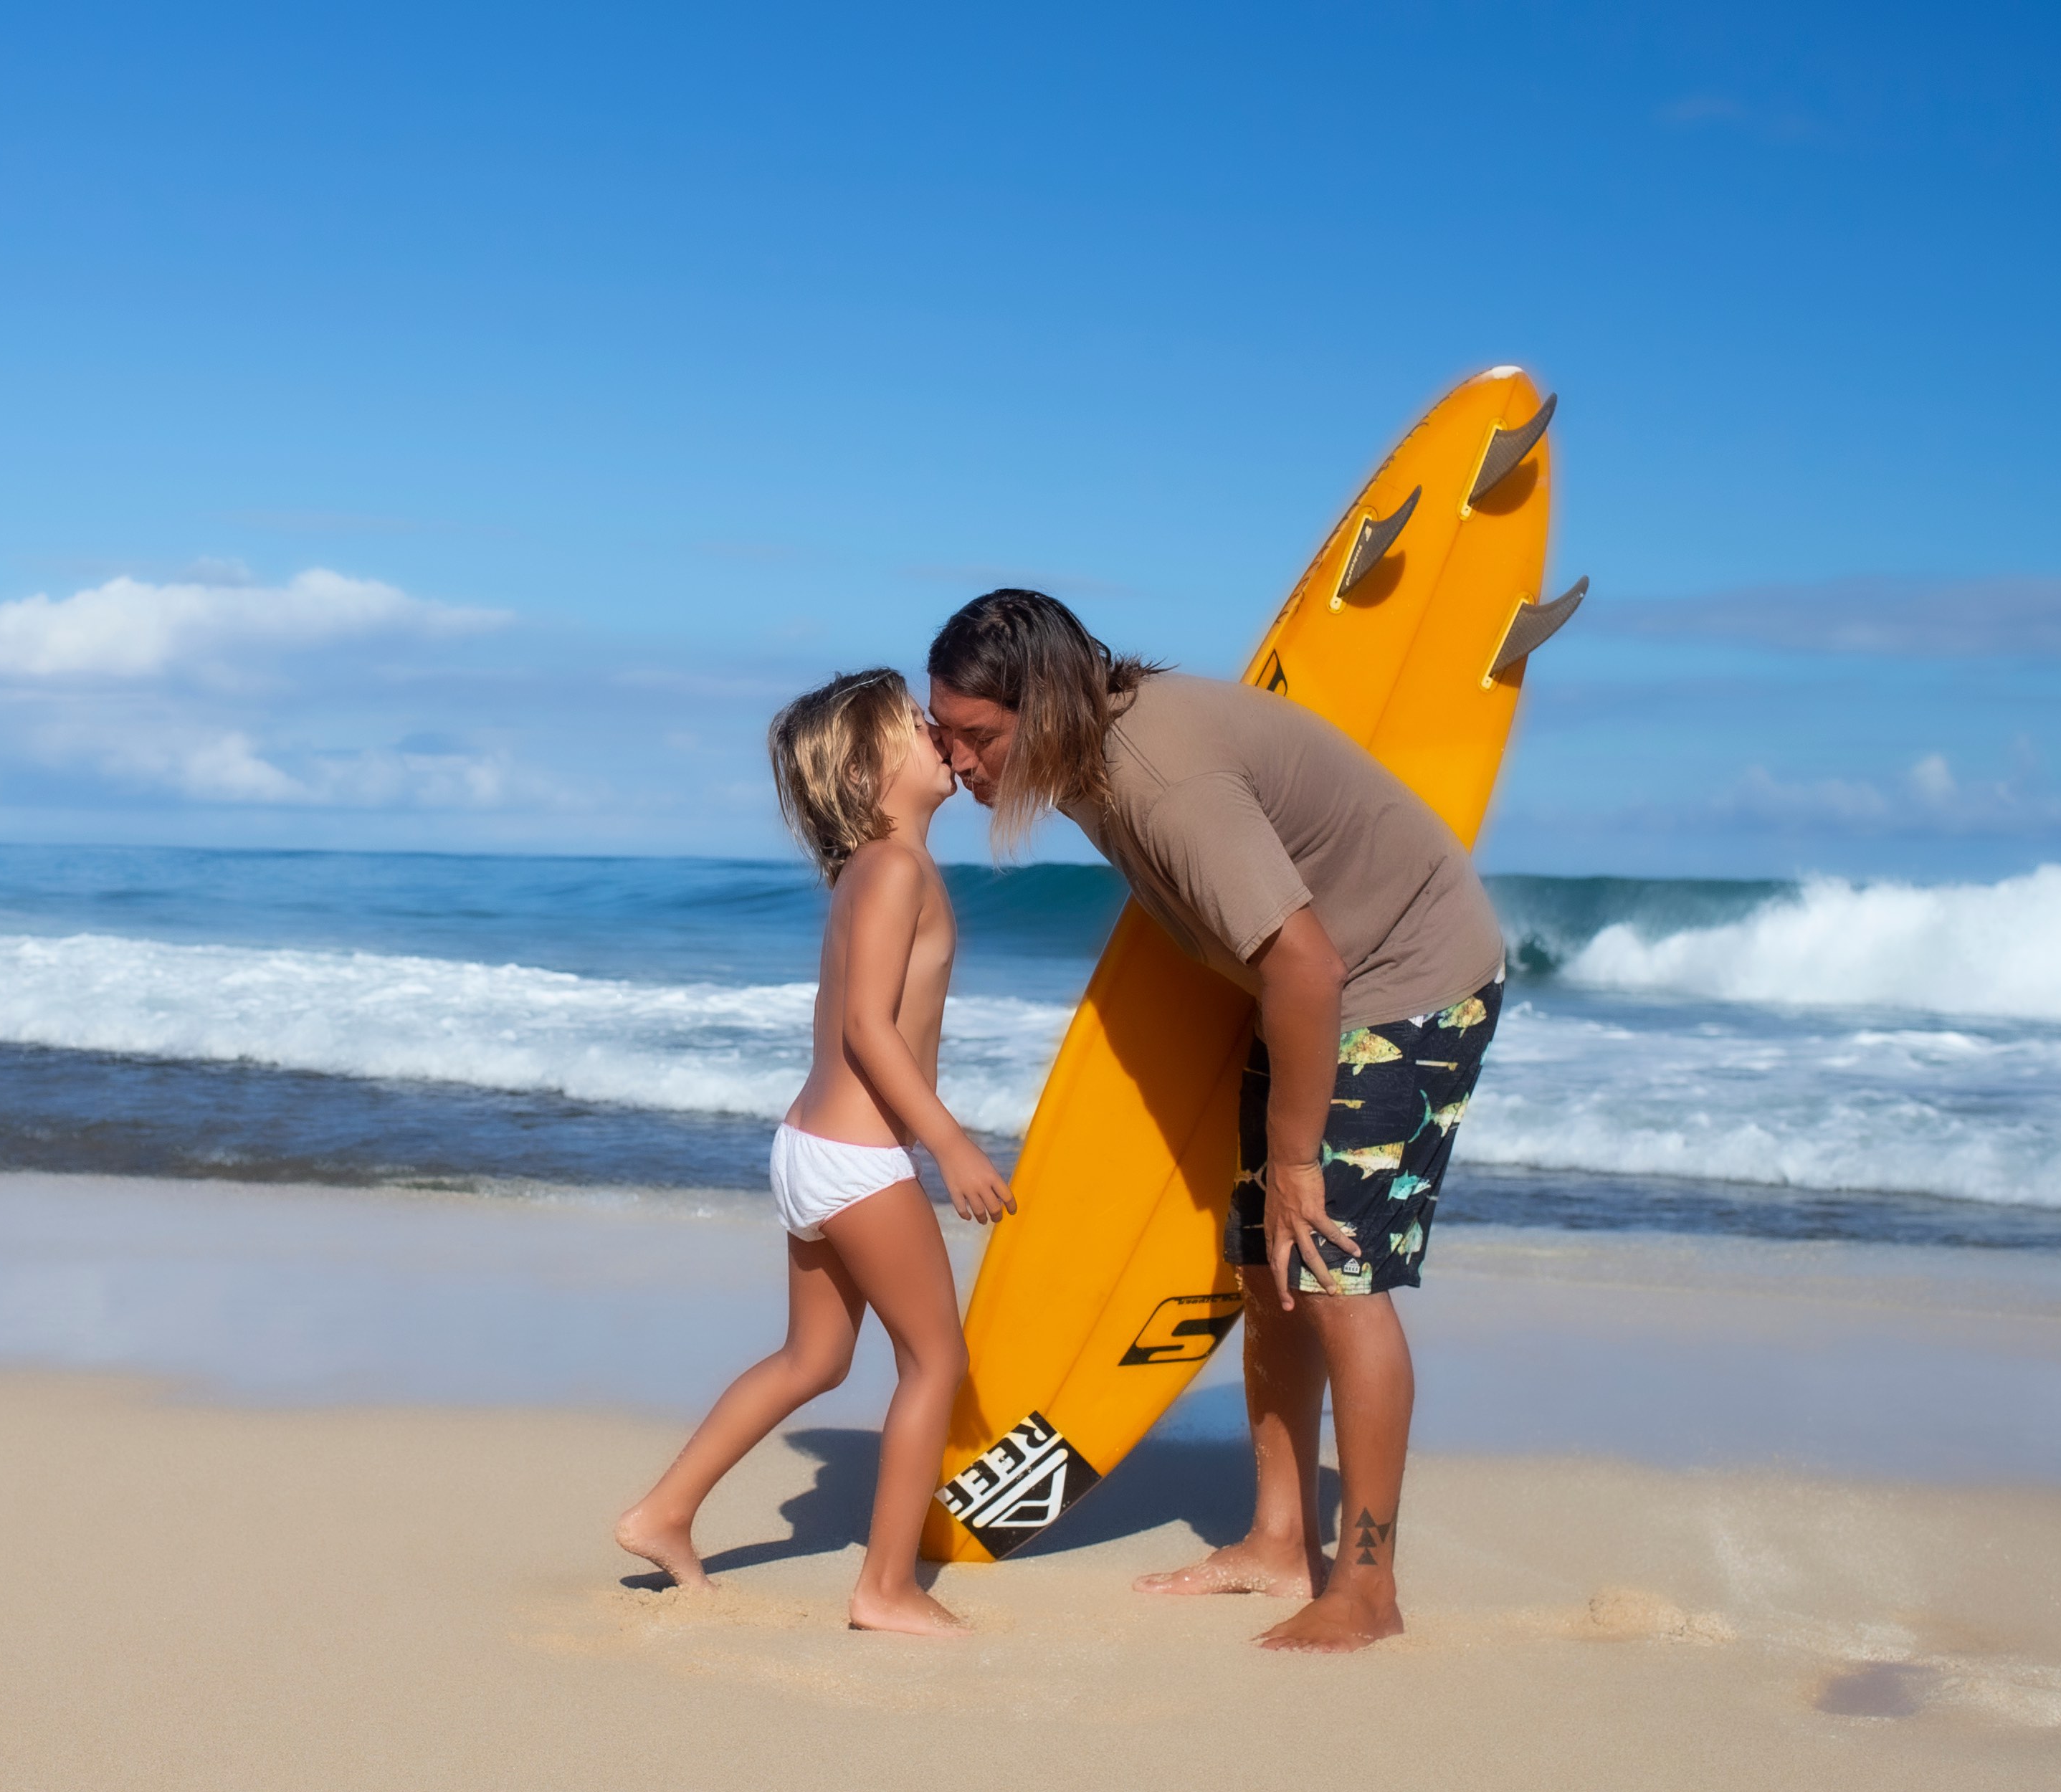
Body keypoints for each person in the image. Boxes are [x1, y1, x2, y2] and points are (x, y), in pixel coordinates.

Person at [925, 590, 1505, 1653]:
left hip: (1400, 982)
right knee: (1267, 1266)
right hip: (1308, 990)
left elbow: (1306, 961)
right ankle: (1278, 1541)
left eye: (977, 738)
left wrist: (1295, 1159)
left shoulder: (1163, 780)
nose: (959, 764)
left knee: (1337, 1271)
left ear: (1045, 706)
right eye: (945, 737)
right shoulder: (1086, 754)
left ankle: (1365, 1587)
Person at [615, 667, 1016, 1636]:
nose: (939, 739)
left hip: (813, 1150)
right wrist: (950, 1144)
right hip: (853, 1159)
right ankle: (884, 1588)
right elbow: (873, 1033)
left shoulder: (868, 872)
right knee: (935, 1364)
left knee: (815, 1356)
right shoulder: (894, 870)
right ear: (869, 767)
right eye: (918, 729)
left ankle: (662, 1514)